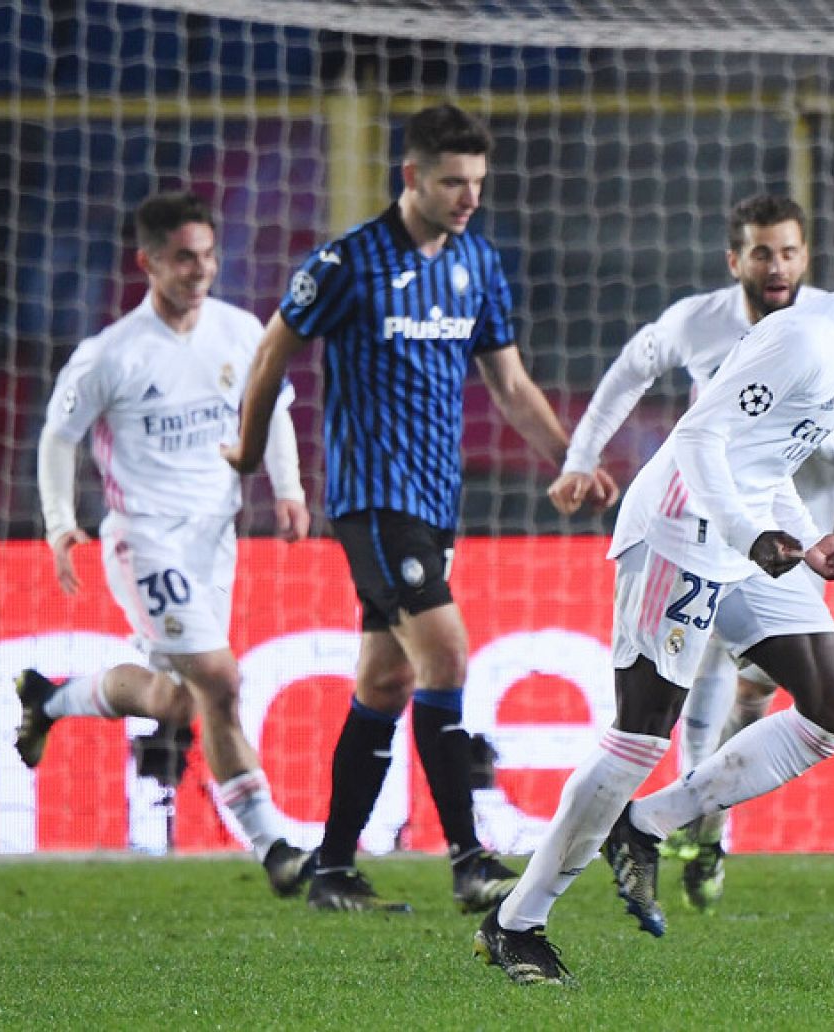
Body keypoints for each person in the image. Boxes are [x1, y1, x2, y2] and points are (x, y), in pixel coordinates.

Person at [475, 208, 834, 986]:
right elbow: (699, 436)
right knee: (641, 737)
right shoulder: (808, 337)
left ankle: (649, 824)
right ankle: (515, 923)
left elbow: (764, 463)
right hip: (677, 530)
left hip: (743, 537)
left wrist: (808, 540)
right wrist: (748, 534)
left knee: (832, 709)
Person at [226, 104, 603, 913]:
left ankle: (331, 869)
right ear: (411, 177)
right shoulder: (348, 263)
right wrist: (251, 452)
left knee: (388, 679)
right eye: (452, 182)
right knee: (447, 658)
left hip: (436, 504)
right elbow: (271, 351)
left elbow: (509, 383)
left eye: (476, 183)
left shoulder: (476, 263)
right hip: (371, 500)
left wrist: (571, 459)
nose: (468, 197)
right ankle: (470, 859)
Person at [546, 194, 834, 913]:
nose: (777, 266)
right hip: (703, 531)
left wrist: (792, 423)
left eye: (790, 251)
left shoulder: (831, 330)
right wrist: (582, 455)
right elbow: (630, 372)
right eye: (762, 252)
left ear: (807, 257)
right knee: (683, 693)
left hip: (790, 540)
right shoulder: (696, 322)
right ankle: (657, 840)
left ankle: (702, 827)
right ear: (736, 259)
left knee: (771, 694)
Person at [19, 191, 316, 894]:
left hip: (217, 538)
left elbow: (270, 408)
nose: (201, 270)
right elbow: (56, 439)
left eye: (208, 255)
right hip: (144, 540)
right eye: (185, 257)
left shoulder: (242, 332)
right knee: (221, 679)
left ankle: (50, 700)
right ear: (148, 262)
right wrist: (62, 523)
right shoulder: (109, 355)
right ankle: (272, 843)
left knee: (186, 701)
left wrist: (289, 488)